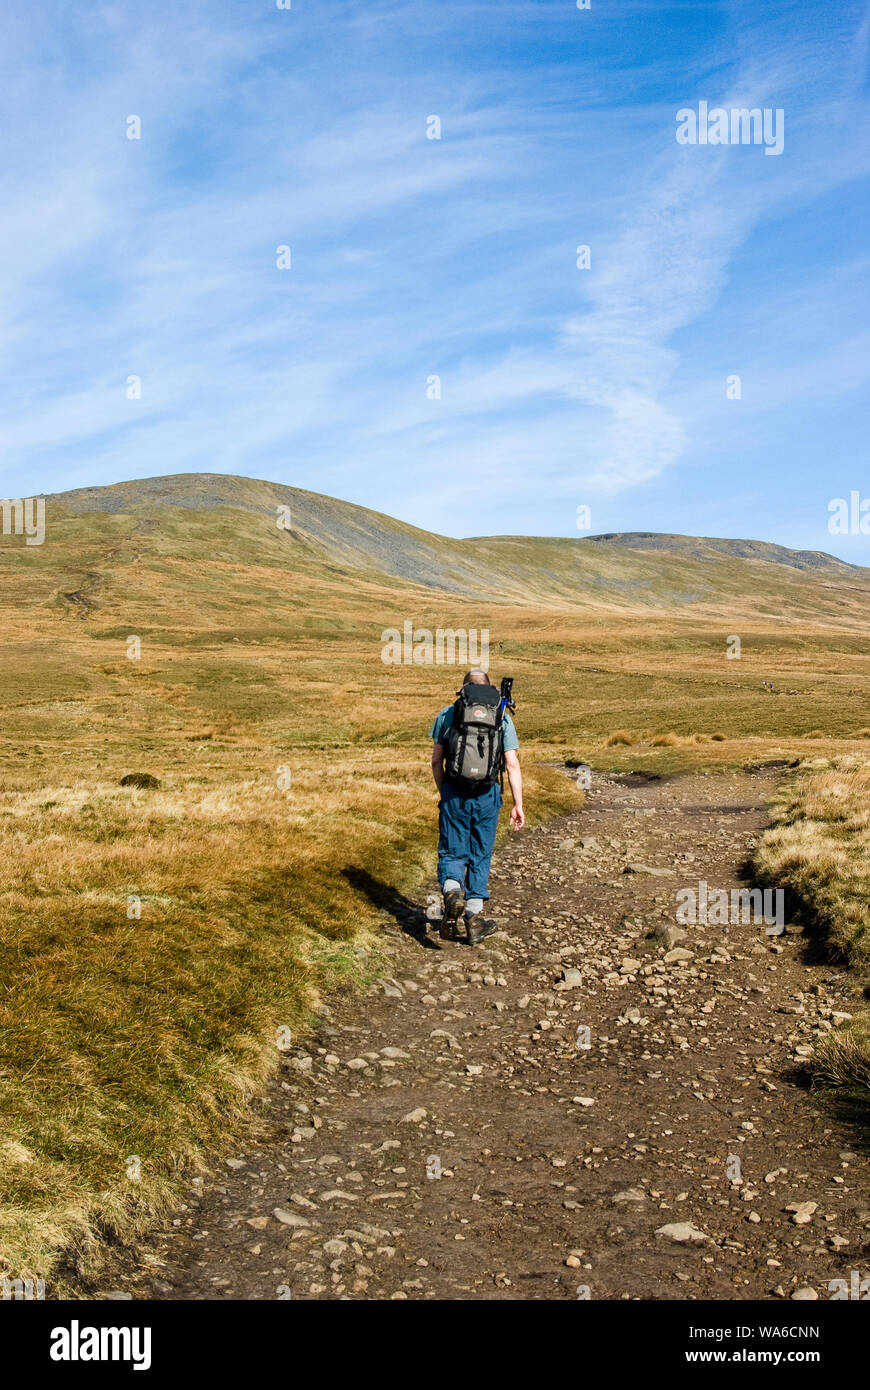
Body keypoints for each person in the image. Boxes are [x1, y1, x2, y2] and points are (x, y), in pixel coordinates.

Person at [429, 669, 524, 945]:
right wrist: (518, 804)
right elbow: (512, 764)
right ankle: (473, 920)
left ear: (463, 689)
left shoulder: (448, 714)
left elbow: (436, 761)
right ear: (488, 689)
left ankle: (452, 892)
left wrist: (444, 790)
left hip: (454, 794)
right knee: (480, 854)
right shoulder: (500, 716)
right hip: (487, 796)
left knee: (451, 851)